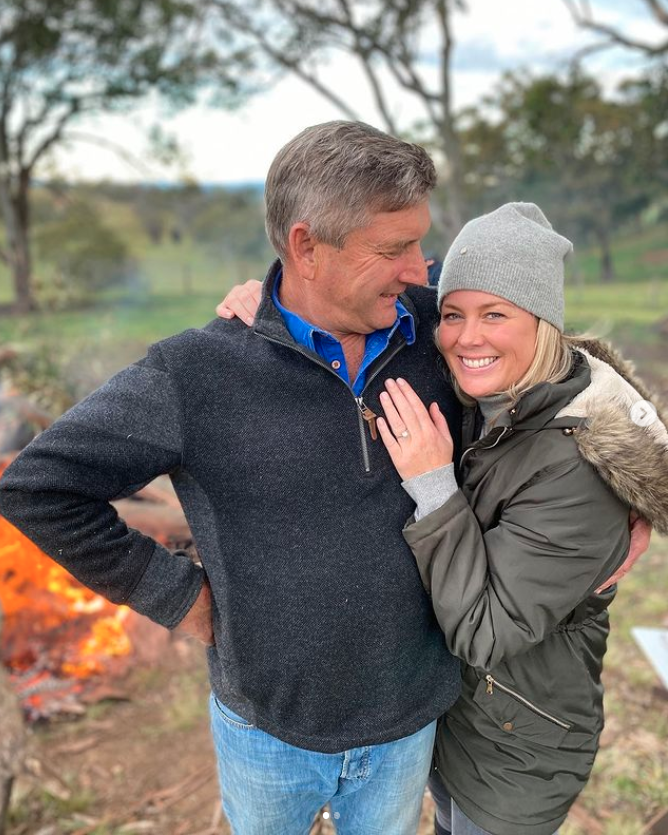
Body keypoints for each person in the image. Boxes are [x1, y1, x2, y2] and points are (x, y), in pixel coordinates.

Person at [0, 122, 649, 835]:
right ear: (306, 246)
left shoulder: (441, 333)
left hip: (409, 725)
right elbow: (37, 486)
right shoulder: (197, 373)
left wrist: (630, 484)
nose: (418, 268)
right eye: (393, 248)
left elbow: (556, 360)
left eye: (419, 243)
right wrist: (174, 593)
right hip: (267, 731)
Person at [374, 202, 668, 834]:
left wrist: (432, 485)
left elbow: (485, 633)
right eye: (453, 314)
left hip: (518, 745)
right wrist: (261, 298)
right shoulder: (497, 400)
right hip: (458, 719)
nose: (466, 337)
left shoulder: (577, 465)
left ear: (543, 323)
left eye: (495, 314)